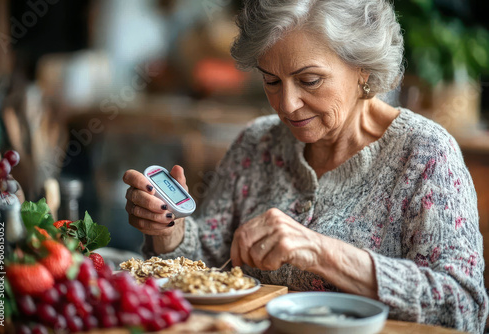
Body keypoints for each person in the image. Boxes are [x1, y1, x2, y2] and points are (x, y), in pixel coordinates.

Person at [123, 0, 488, 331]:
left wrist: (320, 251)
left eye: (309, 80)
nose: (288, 105)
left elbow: (463, 309)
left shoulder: (424, 153)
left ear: (362, 67)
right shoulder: (257, 143)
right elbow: (212, 266)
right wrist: (170, 233)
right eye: (271, 81)